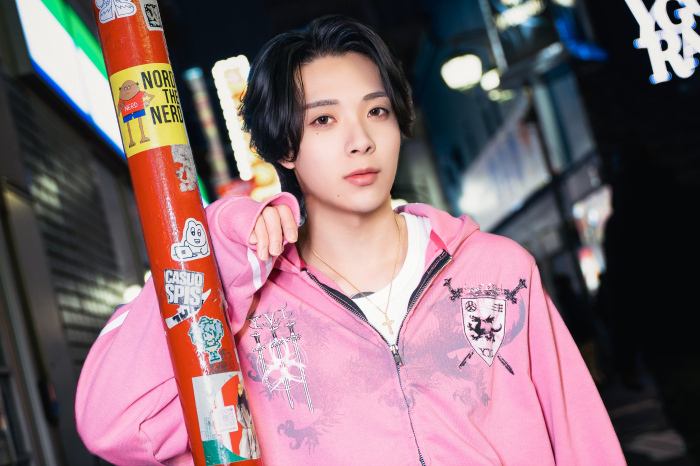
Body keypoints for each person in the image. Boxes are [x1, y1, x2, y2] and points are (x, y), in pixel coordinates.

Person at [75, 15, 624, 465]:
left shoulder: (498, 270)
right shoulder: (251, 313)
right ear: (284, 147)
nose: (360, 140)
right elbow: (114, 426)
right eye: (323, 121)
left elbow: (583, 439)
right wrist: (218, 254)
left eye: (376, 111)